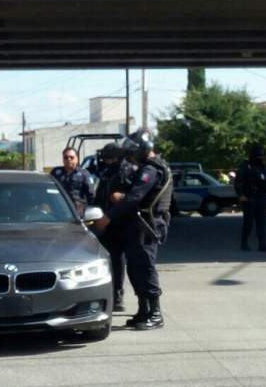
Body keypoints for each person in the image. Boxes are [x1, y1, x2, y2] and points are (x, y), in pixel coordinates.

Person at [94, 129, 173, 331]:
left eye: (133, 150)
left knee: (145, 267)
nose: (130, 155)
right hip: (139, 225)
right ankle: (143, 310)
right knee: (135, 268)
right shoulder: (146, 167)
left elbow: (136, 196)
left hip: (148, 225)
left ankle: (155, 313)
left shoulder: (152, 169)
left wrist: (109, 216)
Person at [94, 142, 127, 311]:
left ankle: (118, 295)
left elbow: (125, 200)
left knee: (117, 259)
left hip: (118, 223)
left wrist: (109, 216)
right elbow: (100, 197)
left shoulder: (123, 172)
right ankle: (110, 294)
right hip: (104, 221)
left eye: (107, 157)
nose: (104, 161)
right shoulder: (107, 173)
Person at [235, 144, 266, 252]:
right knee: (248, 222)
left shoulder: (263, 167)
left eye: (262, 156)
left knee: (261, 223)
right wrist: (241, 195)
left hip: (261, 197)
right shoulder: (246, 166)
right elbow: (238, 182)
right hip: (249, 198)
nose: (261, 158)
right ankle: (244, 243)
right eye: (259, 155)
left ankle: (262, 244)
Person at [50, 147, 94, 215]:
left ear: (77, 159)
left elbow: (91, 196)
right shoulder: (55, 172)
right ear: (63, 159)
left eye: (71, 157)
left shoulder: (84, 174)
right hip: (58, 212)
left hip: (76, 213)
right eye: (66, 157)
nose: (69, 159)